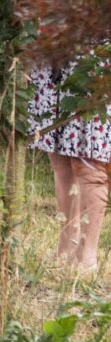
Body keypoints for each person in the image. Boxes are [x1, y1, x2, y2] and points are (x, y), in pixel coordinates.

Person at [28, 65, 109, 272]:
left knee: (91, 162)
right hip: (54, 60)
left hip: (93, 62)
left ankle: (87, 256)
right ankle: (67, 244)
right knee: (59, 158)